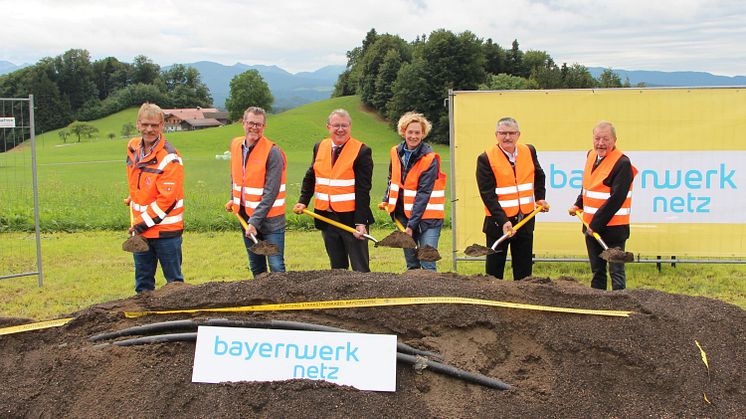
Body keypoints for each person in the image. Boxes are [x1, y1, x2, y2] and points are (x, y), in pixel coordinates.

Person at [293, 109, 374, 272]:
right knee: (337, 268)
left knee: (360, 268)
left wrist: (361, 222)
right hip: (326, 216)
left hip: (351, 218)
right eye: (336, 125)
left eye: (344, 125)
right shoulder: (319, 146)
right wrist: (303, 201)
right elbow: (311, 176)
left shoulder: (362, 151)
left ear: (350, 127)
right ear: (328, 127)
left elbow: (363, 189)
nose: (340, 129)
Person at [476, 117, 549, 280]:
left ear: (518, 135)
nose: (507, 137)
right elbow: (487, 194)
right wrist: (503, 221)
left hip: (525, 219)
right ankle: (493, 301)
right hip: (498, 222)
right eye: (503, 133)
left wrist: (540, 198)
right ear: (496, 135)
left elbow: (539, 176)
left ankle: (523, 301)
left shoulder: (529, 151)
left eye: (511, 133)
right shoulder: (486, 158)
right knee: (495, 269)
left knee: (524, 269)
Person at [569, 121, 637, 290]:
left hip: (613, 228)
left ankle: (619, 304)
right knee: (597, 271)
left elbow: (617, 199)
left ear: (614, 140)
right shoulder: (590, 155)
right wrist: (579, 204)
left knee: (616, 271)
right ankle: (598, 304)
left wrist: (596, 224)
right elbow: (588, 185)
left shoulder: (622, 163)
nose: (600, 143)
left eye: (605, 139)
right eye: (597, 138)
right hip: (591, 226)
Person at [125, 103, 185, 293]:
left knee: (174, 285)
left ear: (162, 126)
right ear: (138, 125)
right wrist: (135, 197)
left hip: (165, 232)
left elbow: (166, 200)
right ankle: (145, 320)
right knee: (143, 283)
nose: (149, 129)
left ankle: (178, 321)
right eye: (145, 124)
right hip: (142, 231)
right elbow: (140, 181)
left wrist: (140, 224)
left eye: (154, 125)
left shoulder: (170, 157)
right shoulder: (133, 148)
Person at [379, 112, 446, 270]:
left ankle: (431, 294)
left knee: (427, 263)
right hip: (403, 217)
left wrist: (411, 226)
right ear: (403, 131)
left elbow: (423, 194)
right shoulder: (395, 152)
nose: (413, 136)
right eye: (410, 132)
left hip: (429, 220)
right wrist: (387, 199)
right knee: (412, 265)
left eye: (417, 132)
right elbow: (392, 179)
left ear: (423, 134)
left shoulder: (430, 159)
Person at [224, 106, 287, 277]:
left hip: (270, 221)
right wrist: (234, 199)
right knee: (256, 266)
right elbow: (237, 176)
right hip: (246, 216)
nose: (254, 127)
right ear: (243, 123)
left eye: (259, 124)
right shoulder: (236, 145)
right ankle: (262, 301)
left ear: (264, 127)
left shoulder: (273, 152)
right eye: (251, 123)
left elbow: (271, 192)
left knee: (276, 266)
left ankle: (281, 302)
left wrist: (255, 222)